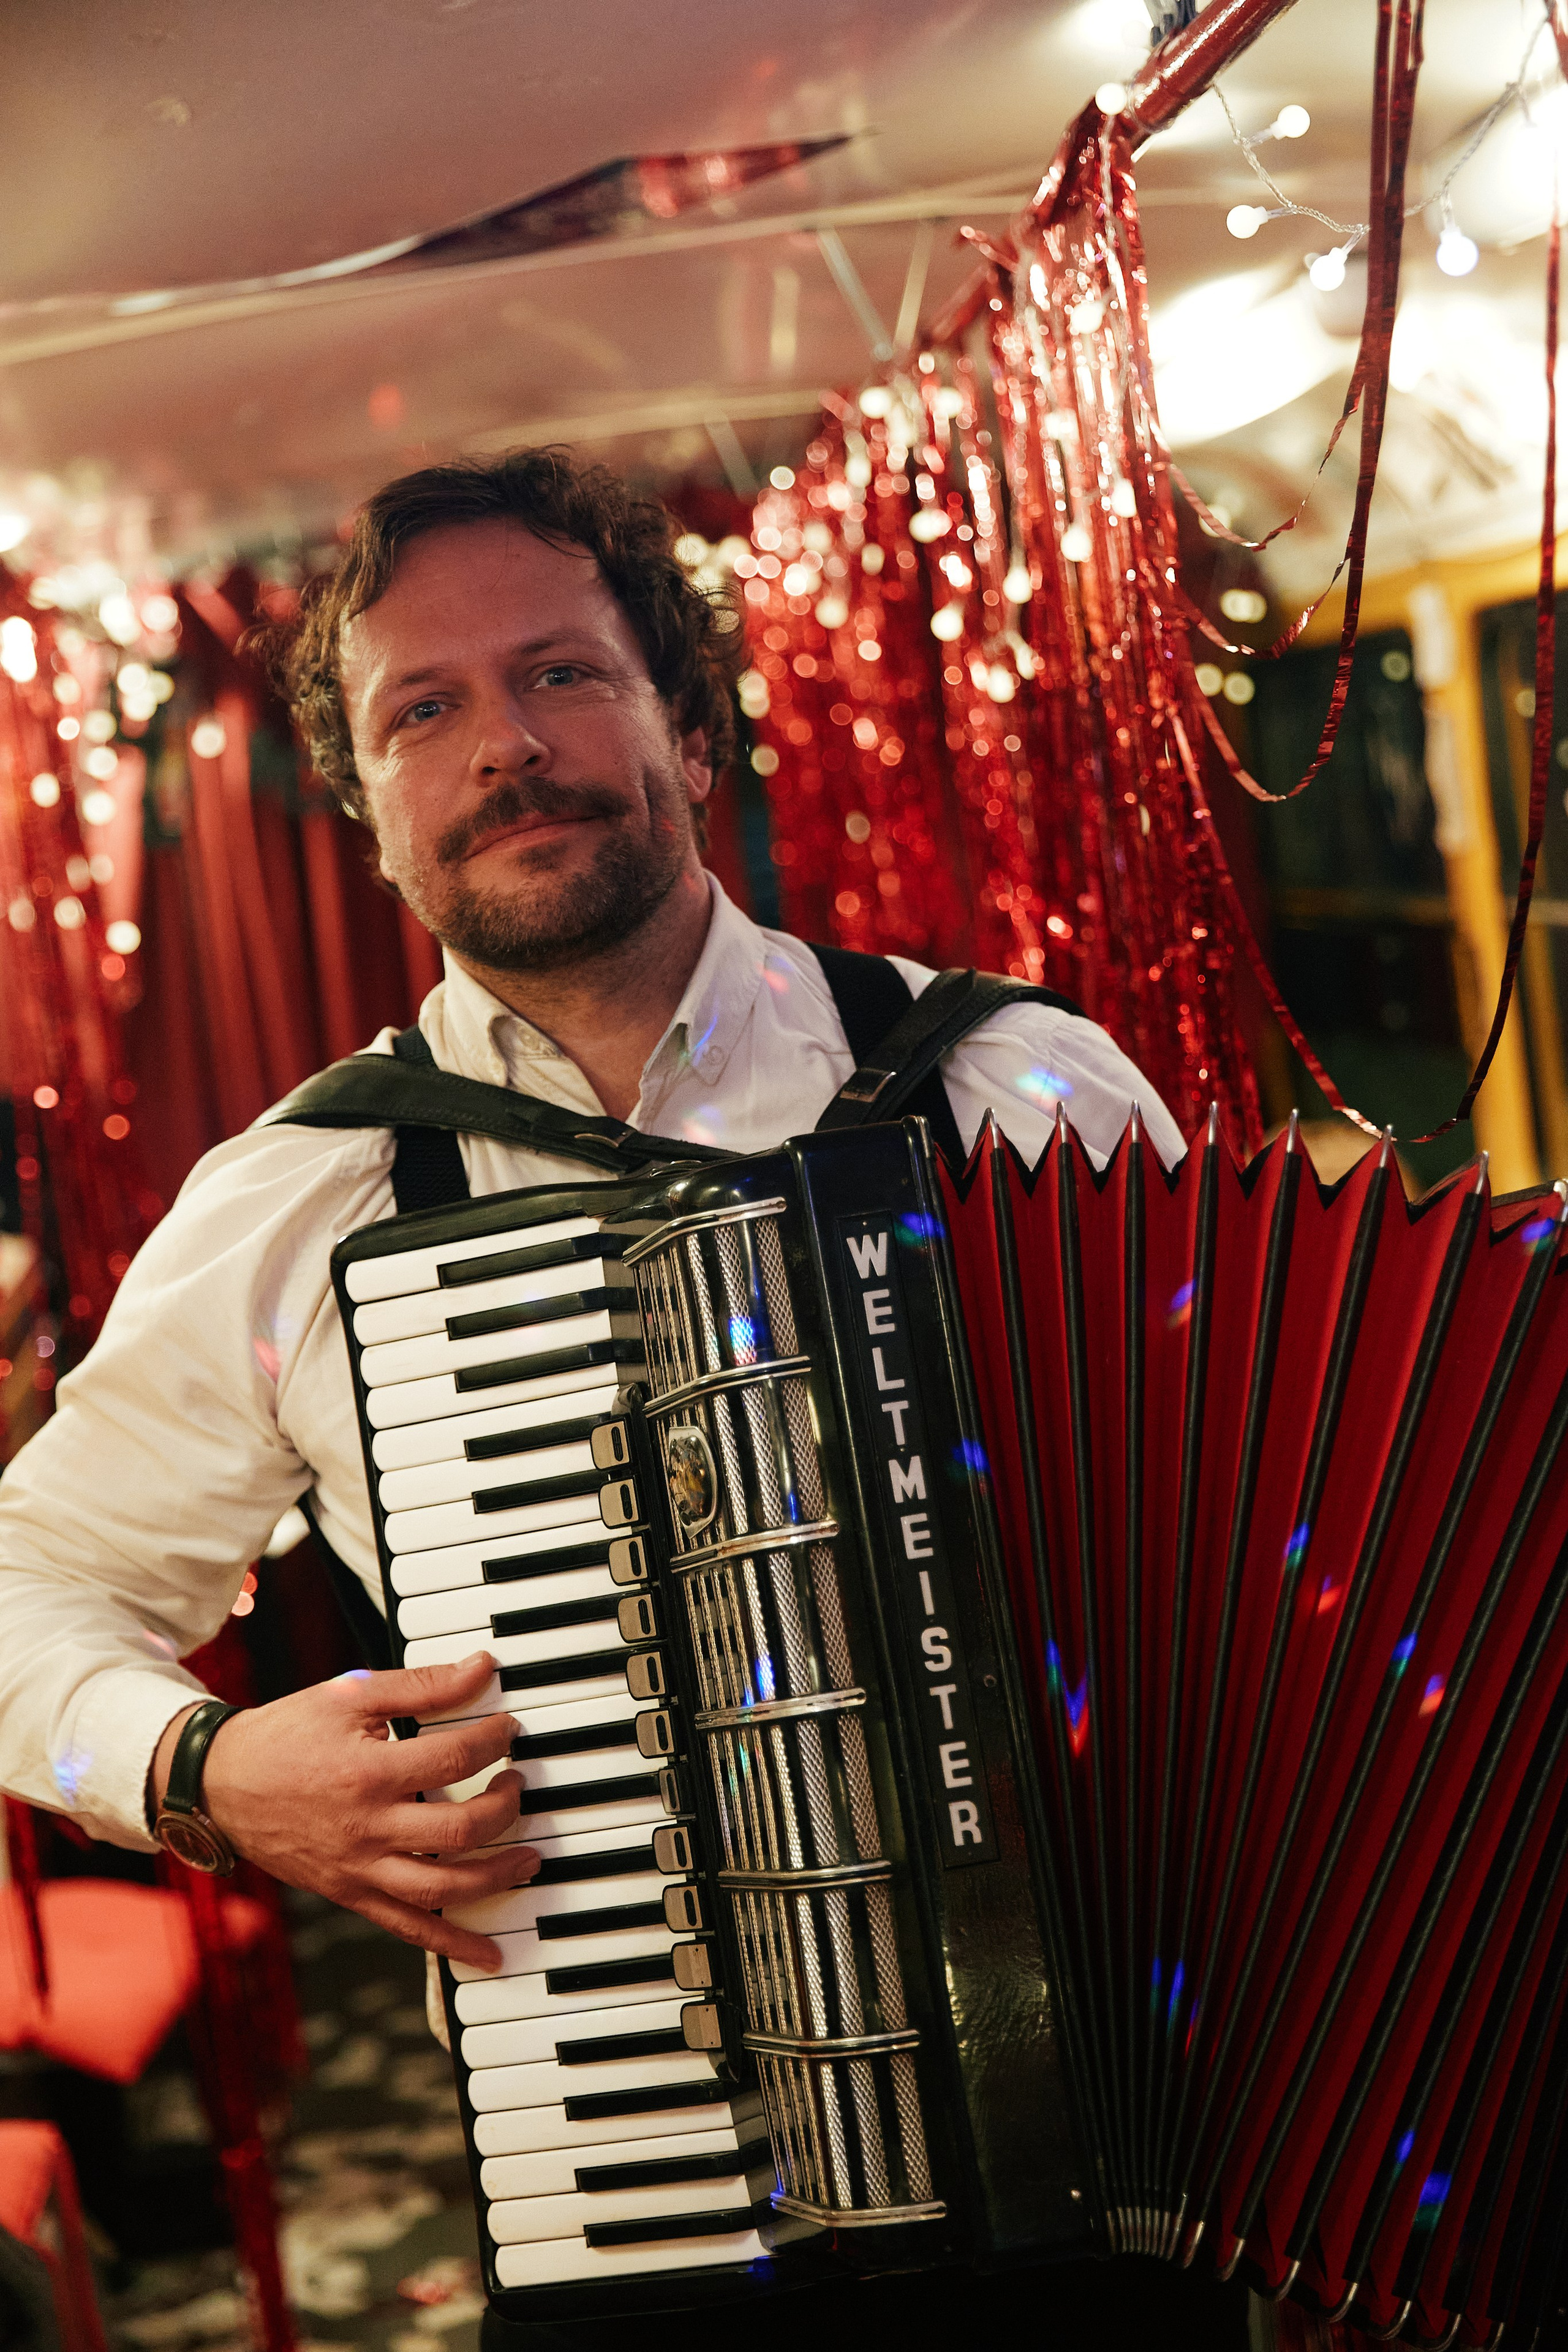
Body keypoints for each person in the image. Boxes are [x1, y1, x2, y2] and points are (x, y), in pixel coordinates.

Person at [0, 447, 1216, 2348]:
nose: (509, 743)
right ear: (369, 805)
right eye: (429, 706)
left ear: (688, 727)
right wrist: (204, 1775)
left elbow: (1247, 1534)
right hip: (636, 2188)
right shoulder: (300, 1201)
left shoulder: (1017, 1090)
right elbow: (21, 1590)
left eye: (564, 673)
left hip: (1129, 2139)